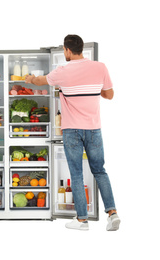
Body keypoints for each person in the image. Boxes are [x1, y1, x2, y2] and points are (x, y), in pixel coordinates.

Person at [25, 34, 120, 231]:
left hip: (71, 131)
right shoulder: (99, 67)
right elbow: (109, 94)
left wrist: (29, 78)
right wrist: (93, 90)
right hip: (94, 128)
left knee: (76, 174)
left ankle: (82, 220)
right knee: (100, 171)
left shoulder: (62, 71)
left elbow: (40, 81)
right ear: (82, 48)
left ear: (67, 50)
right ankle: (112, 214)